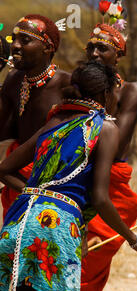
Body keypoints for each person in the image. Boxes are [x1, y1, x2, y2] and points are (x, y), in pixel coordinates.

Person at [0, 61, 137, 291]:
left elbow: (4, 169)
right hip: (55, 229)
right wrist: (134, 239)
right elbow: (100, 198)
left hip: (18, 220)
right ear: (105, 93)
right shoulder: (105, 128)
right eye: (115, 92)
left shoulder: (54, 121)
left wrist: (36, 194)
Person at [80, 4, 137, 291]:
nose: (94, 53)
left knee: (86, 272)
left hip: (109, 190)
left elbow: (114, 145)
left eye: (102, 48)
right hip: (75, 186)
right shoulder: (76, 85)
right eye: (90, 47)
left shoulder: (131, 91)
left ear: (119, 54)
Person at [0, 15, 71, 221]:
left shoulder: (68, 85)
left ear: (47, 47)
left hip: (54, 179)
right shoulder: (14, 79)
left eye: (26, 40)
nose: (16, 46)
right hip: (14, 174)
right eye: (15, 40)